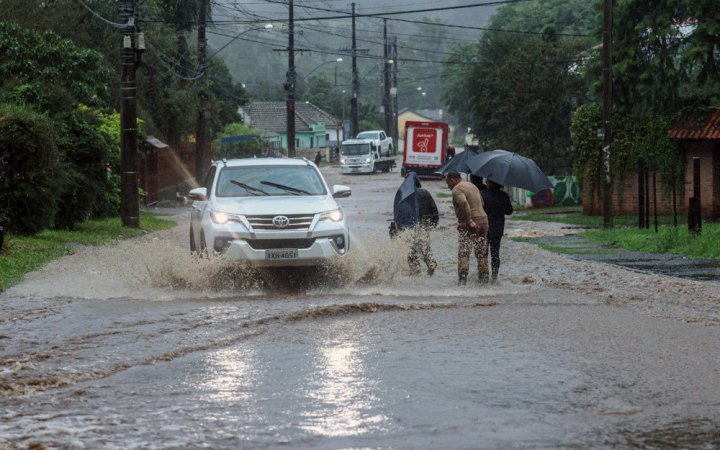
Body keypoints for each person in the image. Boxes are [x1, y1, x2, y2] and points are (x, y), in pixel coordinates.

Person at [445, 170, 489, 285]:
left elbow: (464, 203)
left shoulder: (457, 189)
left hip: (470, 223)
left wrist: (469, 220)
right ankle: (484, 281)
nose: (448, 186)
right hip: (484, 221)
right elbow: (482, 203)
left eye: (448, 183)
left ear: (452, 180)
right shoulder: (472, 185)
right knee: (481, 252)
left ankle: (462, 283)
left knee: (464, 252)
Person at [392, 172, 439, 276]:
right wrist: (434, 223)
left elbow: (399, 213)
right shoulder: (425, 193)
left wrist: (397, 228)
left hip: (410, 226)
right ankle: (431, 266)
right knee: (424, 247)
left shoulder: (404, 196)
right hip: (424, 225)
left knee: (411, 249)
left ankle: (415, 272)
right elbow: (434, 210)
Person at [481, 179, 513, 283]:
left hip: (483, 227)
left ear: (489, 182)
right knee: (495, 254)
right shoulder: (503, 195)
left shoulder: (482, 195)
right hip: (497, 229)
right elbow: (509, 211)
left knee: (483, 253)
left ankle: (483, 278)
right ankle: (494, 278)